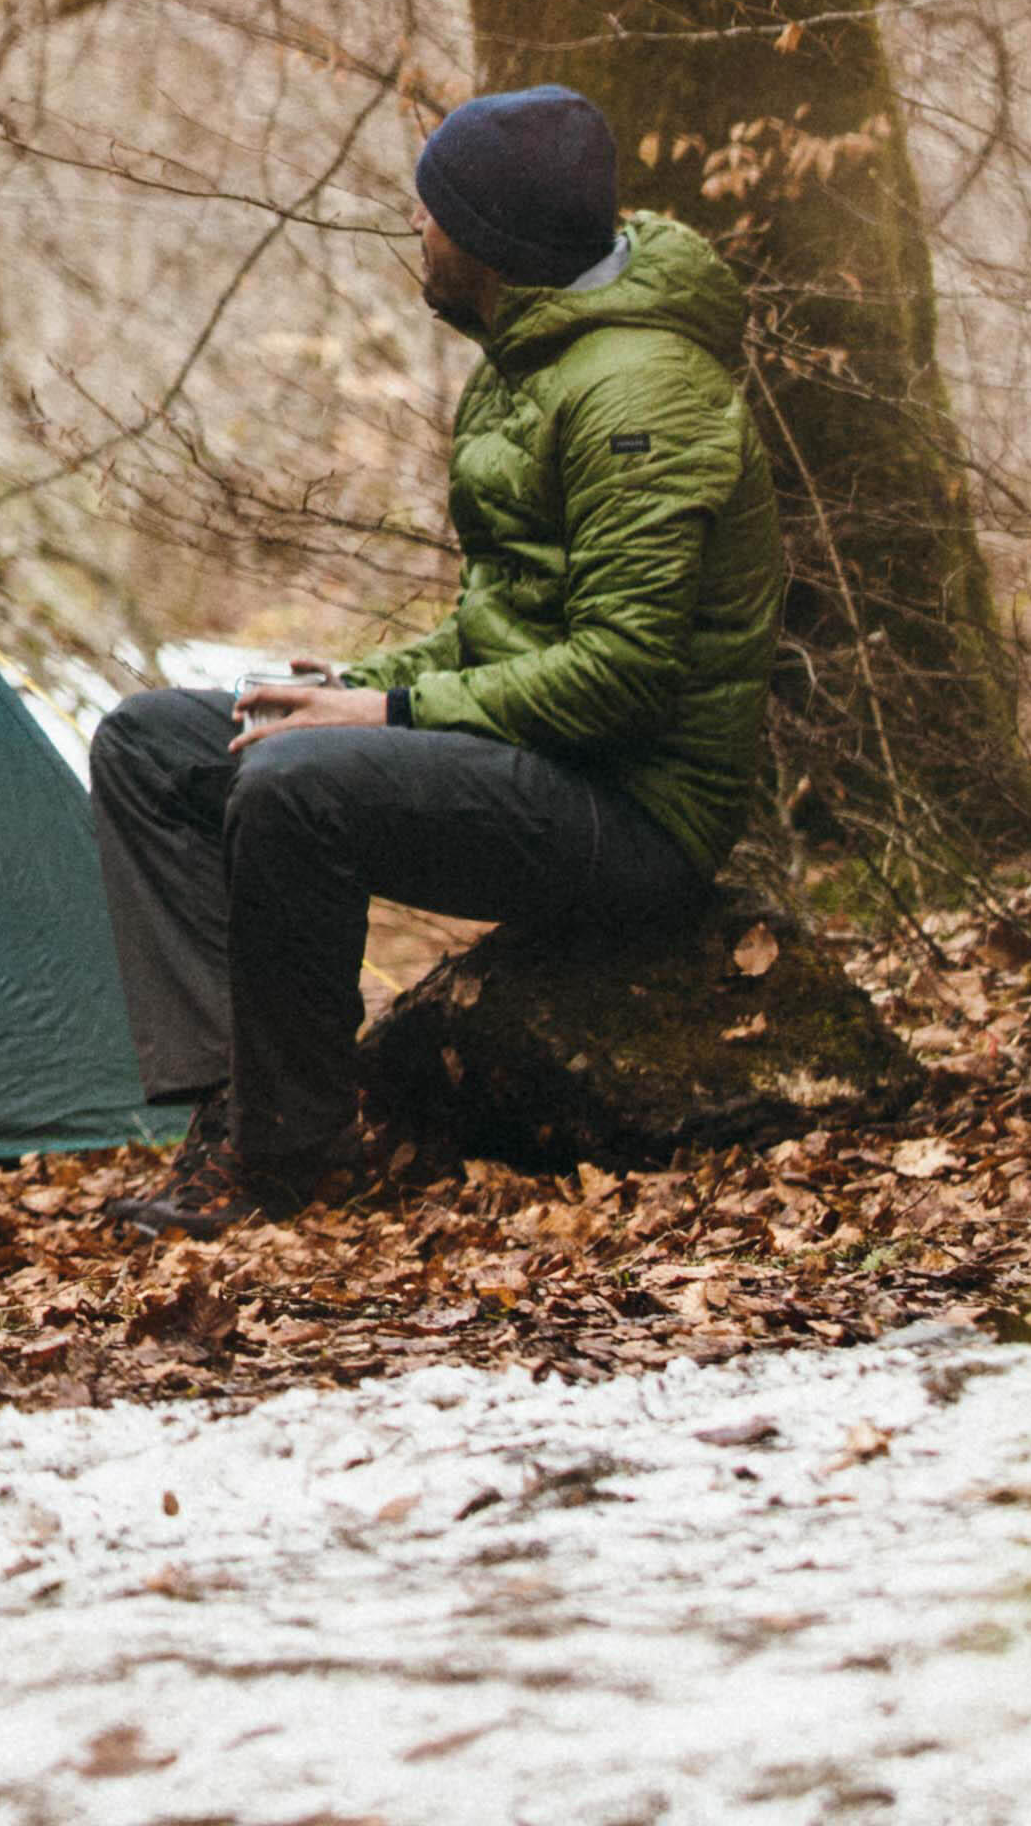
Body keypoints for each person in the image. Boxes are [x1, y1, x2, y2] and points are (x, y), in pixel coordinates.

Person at [83, 84, 778, 1230]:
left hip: (638, 812)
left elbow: (626, 671)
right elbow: (506, 623)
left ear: (494, 239)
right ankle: (235, 1108)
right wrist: (353, 686)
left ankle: (289, 1160)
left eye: (435, 205)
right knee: (156, 744)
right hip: (550, 766)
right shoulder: (539, 356)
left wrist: (394, 714)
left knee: (294, 784)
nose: (417, 221)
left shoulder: (637, 393)